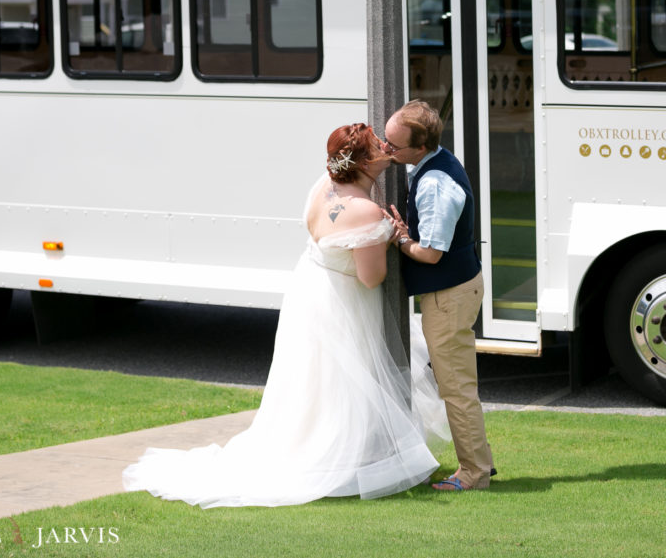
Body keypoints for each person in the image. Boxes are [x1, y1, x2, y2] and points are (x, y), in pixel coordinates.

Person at [122, 124, 448, 507]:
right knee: (341, 380)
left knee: (312, 379)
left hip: (310, 290)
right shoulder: (365, 211)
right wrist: (392, 237)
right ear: (362, 162)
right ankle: (343, 456)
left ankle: (330, 446)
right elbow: (371, 277)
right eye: (377, 145)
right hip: (342, 301)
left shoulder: (322, 185)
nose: (384, 147)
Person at [383, 100, 494, 492]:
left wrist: (400, 239)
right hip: (455, 289)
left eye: (393, 146)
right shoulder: (435, 163)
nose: (386, 150)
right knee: (459, 385)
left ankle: (474, 474)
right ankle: (480, 462)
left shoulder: (434, 184)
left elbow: (431, 254)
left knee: (456, 388)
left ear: (420, 146)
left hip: (448, 296)